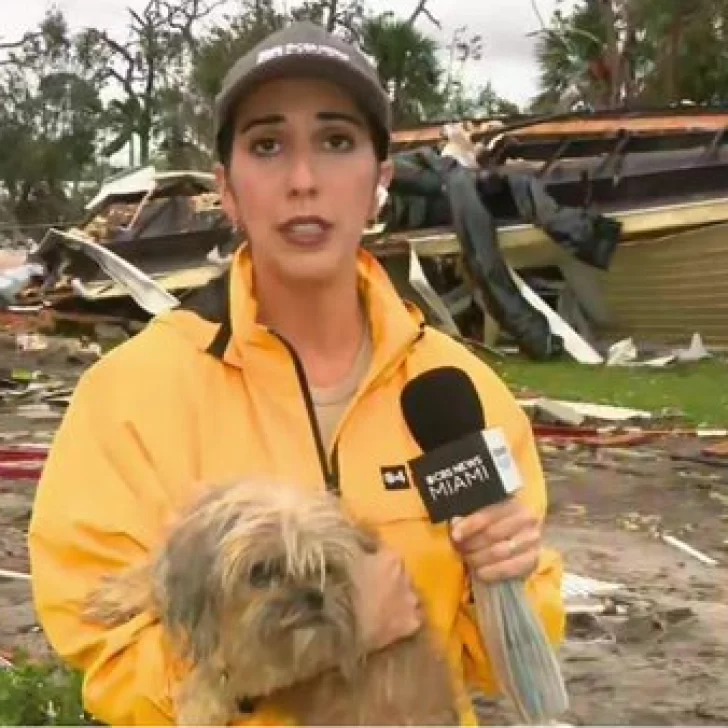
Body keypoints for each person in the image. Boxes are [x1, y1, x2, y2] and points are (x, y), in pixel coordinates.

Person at [28, 21, 565, 726]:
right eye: (268, 145)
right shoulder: (131, 397)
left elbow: (493, 661)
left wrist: (510, 579)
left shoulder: (458, 394)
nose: (304, 180)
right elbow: (110, 656)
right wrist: (308, 648)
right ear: (226, 187)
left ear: (379, 181)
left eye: (337, 142)